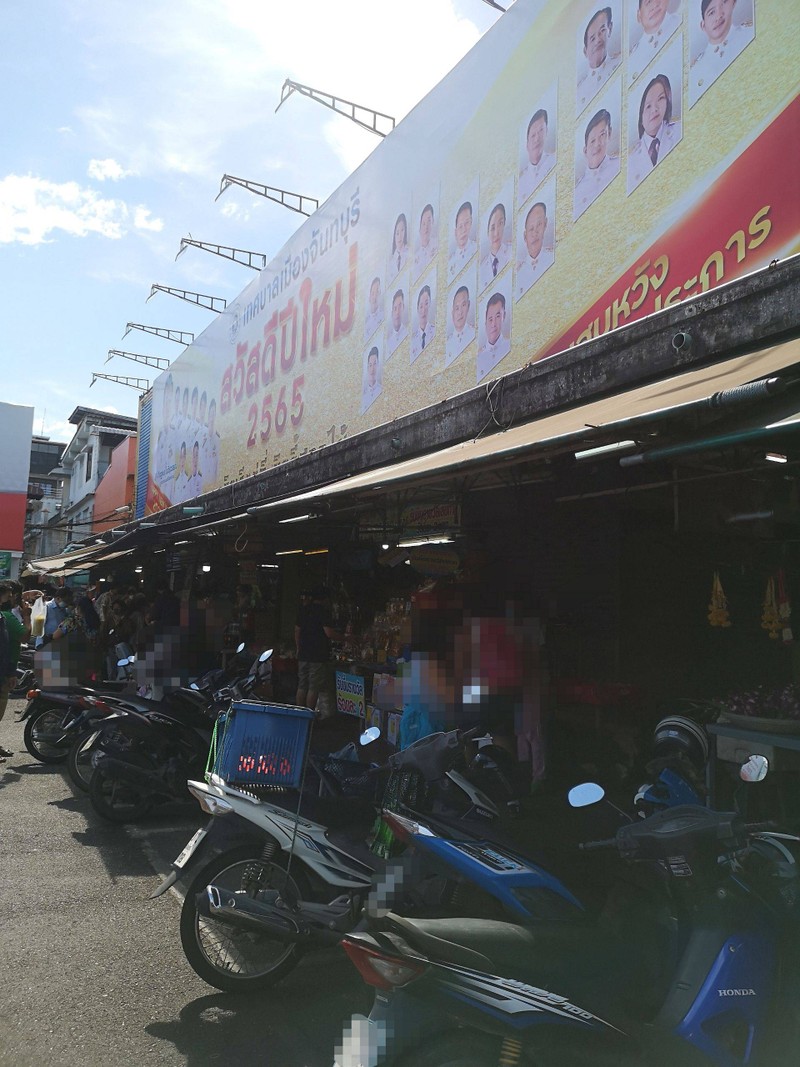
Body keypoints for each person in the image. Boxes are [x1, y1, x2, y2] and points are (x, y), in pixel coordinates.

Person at [690, 0, 754, 103]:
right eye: (711, 12)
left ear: (733, 3)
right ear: (703, 25)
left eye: (723, 3)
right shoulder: (695, 70)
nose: (719, 16)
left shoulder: (750, 32)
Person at [295, 587, 344, 717]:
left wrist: (298, 648)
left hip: (303, 654)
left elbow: (297, 630)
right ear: (325, 599)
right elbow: (329, 633)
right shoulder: (323, 612)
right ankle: (309, 716)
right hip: (317, 655)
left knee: (302, 685)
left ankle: (299, 714)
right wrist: (345, 638)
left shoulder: (304, 610)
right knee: (313, 687)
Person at [628, 73, 682, 190]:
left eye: (661, 98)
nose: (655, 109)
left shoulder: (680, 130)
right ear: (641, 117)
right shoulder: (630, 162)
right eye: (648, 106)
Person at [0, 583, 30, 756]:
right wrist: (27, 617)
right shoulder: (7, 617)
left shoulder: (3, 617)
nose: (12, 599)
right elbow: (24, 635)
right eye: (9, 595)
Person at [574, 108, 620, 217]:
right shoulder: (577, 192)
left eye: (602, 135)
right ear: (585, 151)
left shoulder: (620, 165)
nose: (597, 144)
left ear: (609, 134)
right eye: (592, 141)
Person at [577, 7, 621, 113]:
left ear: (610, 29)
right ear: (585, 51)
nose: (598, 40)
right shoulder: (578, 91)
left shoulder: (620, 62)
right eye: (592, 38)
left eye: (602, 31)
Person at [629, 0, 682, 82]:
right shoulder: (633, 57)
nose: (655, 5)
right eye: (648, 2)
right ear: (639, 15)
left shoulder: (681, 24)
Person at [516, 201, 555, 298]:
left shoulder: (553, 256)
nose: (535, 233)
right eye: (531, 229)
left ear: (545, 225)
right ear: (525, 236)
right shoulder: (518, 273)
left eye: (539, 225)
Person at [519, 109, 556, 203]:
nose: (537, 139)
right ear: (527, 145)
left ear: (546, 132)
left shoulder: (554, 160)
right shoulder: (521, 183)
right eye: (533, 135)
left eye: (541, 130)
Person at [476, 292, 511, 382]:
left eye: (498, 317)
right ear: (485, 321)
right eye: (490, 319)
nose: (493, 324)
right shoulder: (479, 356)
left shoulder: (509, 345)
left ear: (504, 316)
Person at [479, 203, 512, 291]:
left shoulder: (512, 252)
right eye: (493, 228)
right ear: (487, 232)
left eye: (500, 223)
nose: (497, 233)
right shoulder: (481, 269)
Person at [447, 201, 478, 282]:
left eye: (467, 223)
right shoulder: (450, 262)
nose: (464, 229)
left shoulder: (477, 248)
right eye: (460, 226)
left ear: (471, 223)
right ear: (455, 232)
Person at [446, 284, 476, 366]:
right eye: (457, 308)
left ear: (468, 305)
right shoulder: (447, 344)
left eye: (463, 305)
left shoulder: (474, 333)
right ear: (452, 312)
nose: (460, 312)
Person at [410, 285, 436, 362]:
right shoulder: (412, 341)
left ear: (430, 304)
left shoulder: (435, 331)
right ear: (417, 308)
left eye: (426, 304)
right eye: (421, 306)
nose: (424, 310)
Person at [413, 203, 438, 276]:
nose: (426, 227)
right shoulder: (415, 257)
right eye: (423, 223)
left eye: (429, 221)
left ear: (433, 222)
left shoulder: (438, 244)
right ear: (419, 228)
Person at [385, 288, 408, 356]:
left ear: (403, 308)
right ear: (392, 313)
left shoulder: (407, 333)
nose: (397, 312)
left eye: (400, 307)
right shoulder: (388, 343)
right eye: (395, 308)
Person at [361, 346, 382, 413]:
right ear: (367, 367)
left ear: (378, 365)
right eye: (370, 365)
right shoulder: (364, 395)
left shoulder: (381, 389)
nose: (372, 369)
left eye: (375, 364)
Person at [388, 213, 409, 277]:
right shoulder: (390, 262)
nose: (400, 236)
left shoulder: (410, 253)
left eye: (402, 230)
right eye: (397, 233)